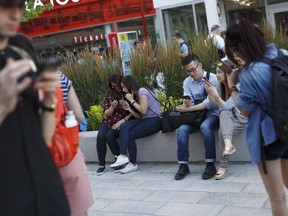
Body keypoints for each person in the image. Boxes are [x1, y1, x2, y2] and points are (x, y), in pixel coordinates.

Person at [9, 33, 94, 216]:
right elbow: (79, 116)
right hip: (69, 154)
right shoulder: (57, 77)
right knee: (80, 210)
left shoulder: (14, 86)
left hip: (41, 162)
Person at [0, 1, 70, 215]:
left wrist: (49, 99)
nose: (15, 14)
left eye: (20, 5)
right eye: (5, 5)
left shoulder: (21, 56)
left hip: (48, 195)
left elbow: (43, 139)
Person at [225, 19, 288, 216]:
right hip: (286, 128)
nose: (234, 55)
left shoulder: (250, 73)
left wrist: (232, 84)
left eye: (234, 50)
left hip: (268, 138)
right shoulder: (282, 54)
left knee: (277, 198)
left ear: (241, 46)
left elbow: (243, 110)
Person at [174, 54, 219, 180]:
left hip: (212, 114)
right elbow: (189, 101)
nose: (191, 73)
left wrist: (190, 108)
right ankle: (183, 165)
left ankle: (210, 164)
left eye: (193, 69)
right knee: (182, 129)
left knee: (205, 127)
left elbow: (211, 103)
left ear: (200, 65)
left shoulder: (212, 78)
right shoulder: (187, 82)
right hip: (196, 117)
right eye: (188, 71)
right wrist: (187, 103)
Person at [110, 75, 162, 174]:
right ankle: (123, 156)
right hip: (146, 120)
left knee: (129, 134)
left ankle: (130, 162)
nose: (123, 90)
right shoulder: (137, 95)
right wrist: (129, 109)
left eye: (124, 87)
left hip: (155, 121)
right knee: (124, 126)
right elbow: (140, 116)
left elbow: (143, 109)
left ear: (129, 85)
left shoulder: (142, 91)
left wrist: (131, 100)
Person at [204, 62, 247, 180]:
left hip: (241, 118)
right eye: (216, 71)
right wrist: (209, 91)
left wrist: (216, 96)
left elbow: (227, 106)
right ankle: (228, 145)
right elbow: (213, 103)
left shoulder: (238, 86)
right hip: (229, 117)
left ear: (227, 73)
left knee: (221, 131)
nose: (216, 75)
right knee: (223, 113)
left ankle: (223, 167)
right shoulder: (220, 85)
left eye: (219, 72)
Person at [96, 73, 139, 175]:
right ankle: (101, 165)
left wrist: (123, 120)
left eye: (117, 85)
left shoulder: (127, 92)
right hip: (109, 121)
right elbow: (106, 115)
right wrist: (112, 107)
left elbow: (132, 111)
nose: (116, 88)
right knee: (100, 136)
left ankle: (119, 161)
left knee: (109, 136)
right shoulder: (110, 95)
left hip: (121, 121)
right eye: (113, 86)